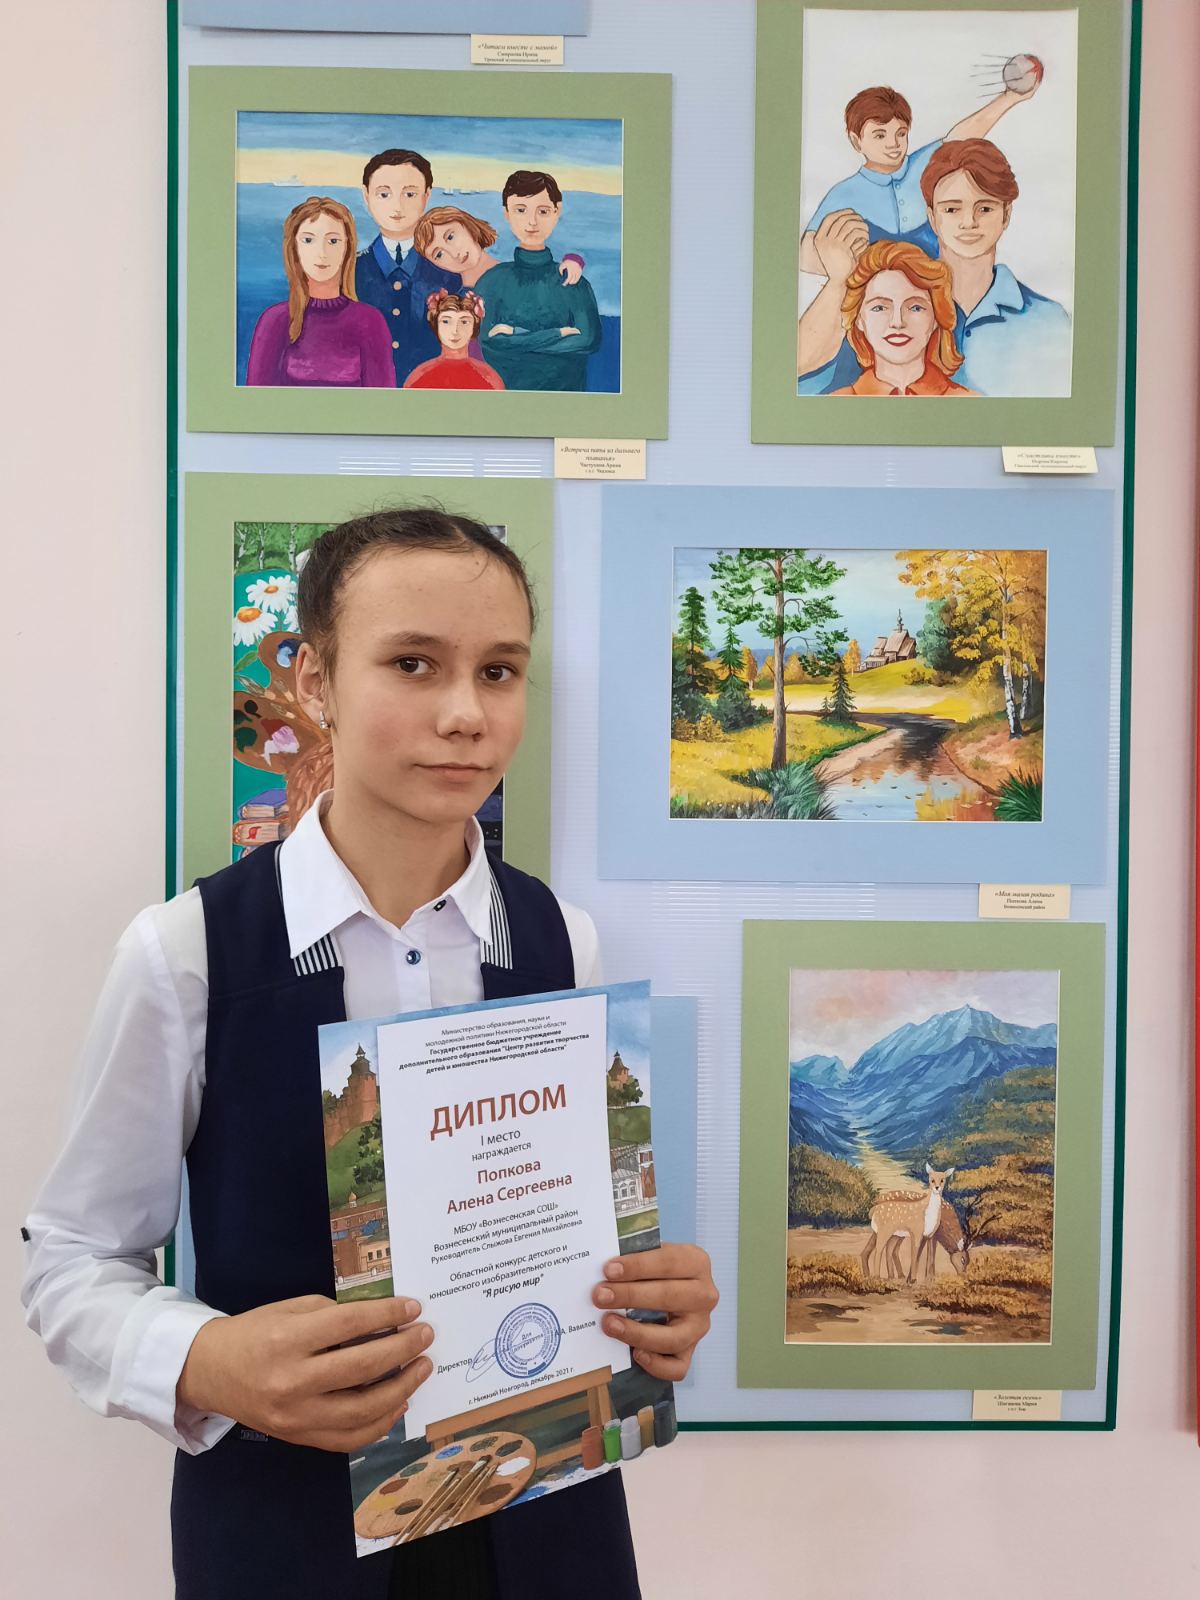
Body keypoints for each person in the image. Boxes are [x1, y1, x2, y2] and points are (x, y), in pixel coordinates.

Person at [20, 508, 719, 1600]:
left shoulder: (562, 940)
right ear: (314, 682)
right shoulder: (187, 954)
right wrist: (205, 1361)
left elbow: (567, 1228)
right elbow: (71, 1257)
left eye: (499, 671)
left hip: (548, 1529)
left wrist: (650, 1302)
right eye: (413, 664)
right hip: (284, 1540)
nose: (465, 713)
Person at [798, 140, 1070, 397]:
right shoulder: (889, 294)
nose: (969, 222)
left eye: (985, 208)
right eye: (951, 209)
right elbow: (802, 380)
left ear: (1006, 215)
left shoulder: (1048, 319)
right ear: (931, 216)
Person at [800, 73, 1042, 274]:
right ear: (856, 141)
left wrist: (1011, 97)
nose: (893, 144)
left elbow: (967, 131)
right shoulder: (844, 194)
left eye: (901, 133)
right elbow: (804, 255)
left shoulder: (924, 163)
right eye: (880, 135)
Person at [246, 197, 395, 388]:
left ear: (347, 247)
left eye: (333, 241)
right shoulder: (275, 320)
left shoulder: (370, 321)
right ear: (294, 248)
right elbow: (257, 399)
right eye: (308, 240)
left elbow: (382, 399)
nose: (322, 253)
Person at [479, 170, 602, 392]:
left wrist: (514, 334)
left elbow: (588, 340)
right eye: (520, 210)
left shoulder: (573, 281)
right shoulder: (492, 281)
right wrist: (559, 333)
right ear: (506, 213)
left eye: (543, 211)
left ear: (557, 211)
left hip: (566, 398)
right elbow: (491, 342)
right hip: (504, 397)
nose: (532, 222)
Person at [353, 148, 463, 385]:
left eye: (410, 194)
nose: (397, 206)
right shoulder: (349, 272)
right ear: (366, 196)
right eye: (384, 194)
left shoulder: (449, 277)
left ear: (427, 196)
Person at [828, 239, 974, 396]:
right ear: (859, 320)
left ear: (936, 318)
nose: (897, 322)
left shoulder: (967, 399)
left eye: (915, 308)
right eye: (880, 308)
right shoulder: (838, 400)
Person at [412, 204, 586, 291]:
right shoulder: (460, 306)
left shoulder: (516, 271)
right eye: (439, 254)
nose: (453, 253)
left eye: (450, 237)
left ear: (468, 226)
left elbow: (546, 279)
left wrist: (573, 262)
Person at [403, 290, 506, 390]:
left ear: (474, 327)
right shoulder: (418, 377)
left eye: (464, 322)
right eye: (446, 321)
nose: (455, 331)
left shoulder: (489, 379)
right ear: (436, 325)